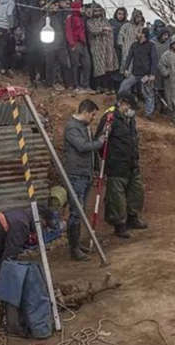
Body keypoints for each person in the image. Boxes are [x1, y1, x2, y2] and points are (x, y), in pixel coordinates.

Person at [98, 91, 147, 238]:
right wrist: (109, 160)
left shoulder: (130, 119)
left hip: (131, 163)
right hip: (117, 165)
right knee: (116, 198)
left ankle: (133, 217)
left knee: (136, 192)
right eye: (130, 107)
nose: (132, 110)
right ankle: (119, 225)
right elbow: (101, 142)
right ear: (122, 103)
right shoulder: (110, 118)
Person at [63, 99, 105, 261]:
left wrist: (94, 169)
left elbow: (89, 150)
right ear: (86, 112)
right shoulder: (72, 127)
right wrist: (100, 143)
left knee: (80, 211)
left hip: (85, 174)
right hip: (75, 175)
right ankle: (73, 248)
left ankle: (77, 244)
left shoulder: (85, 127)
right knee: (76, 212)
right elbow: (82, 147)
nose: (93, 118)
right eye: (93, 115)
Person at [121, 28, 158, 117]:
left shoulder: (151, 45)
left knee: (148, 93)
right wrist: (126, 69)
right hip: (135, 74)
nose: (137, 34)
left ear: (143, 34)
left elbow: (154, 60)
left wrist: (152, 74)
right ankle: (121, 108)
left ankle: (149, 113)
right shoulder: (134, 45)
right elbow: (129, 57)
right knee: (123, 87)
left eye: (139, 32)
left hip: (146, 75)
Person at [42, 0, 72, 91]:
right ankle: (50, 83)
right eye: (53, 5)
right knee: (50, 64)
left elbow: (68, 12)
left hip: (61, 43)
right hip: (49, 43)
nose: (55, 7)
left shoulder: (61, 14)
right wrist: (47, 8)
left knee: (64, 64)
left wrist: (62, 6)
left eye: (56, 5)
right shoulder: (45, 15)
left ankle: (67, 83)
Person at [64, 1, 91, 92]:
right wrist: (72, 44)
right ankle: (76, 85)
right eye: (81, 8)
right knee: (75, 65)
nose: (82, 10)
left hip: (83, 44)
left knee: (87, 64)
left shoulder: (83, 18)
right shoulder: (70, 18)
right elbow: (68, 32)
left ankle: (85, 85)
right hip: (75, 43)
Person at [118, 9, 145, 78]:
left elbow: (143, 39)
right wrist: (121, 44)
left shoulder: (141, 27)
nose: (138, 19)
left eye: (140, 17)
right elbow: (121, 35)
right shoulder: (126, 25)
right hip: (126, 49)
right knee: (126, 67)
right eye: (137, 17)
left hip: (136, 51)